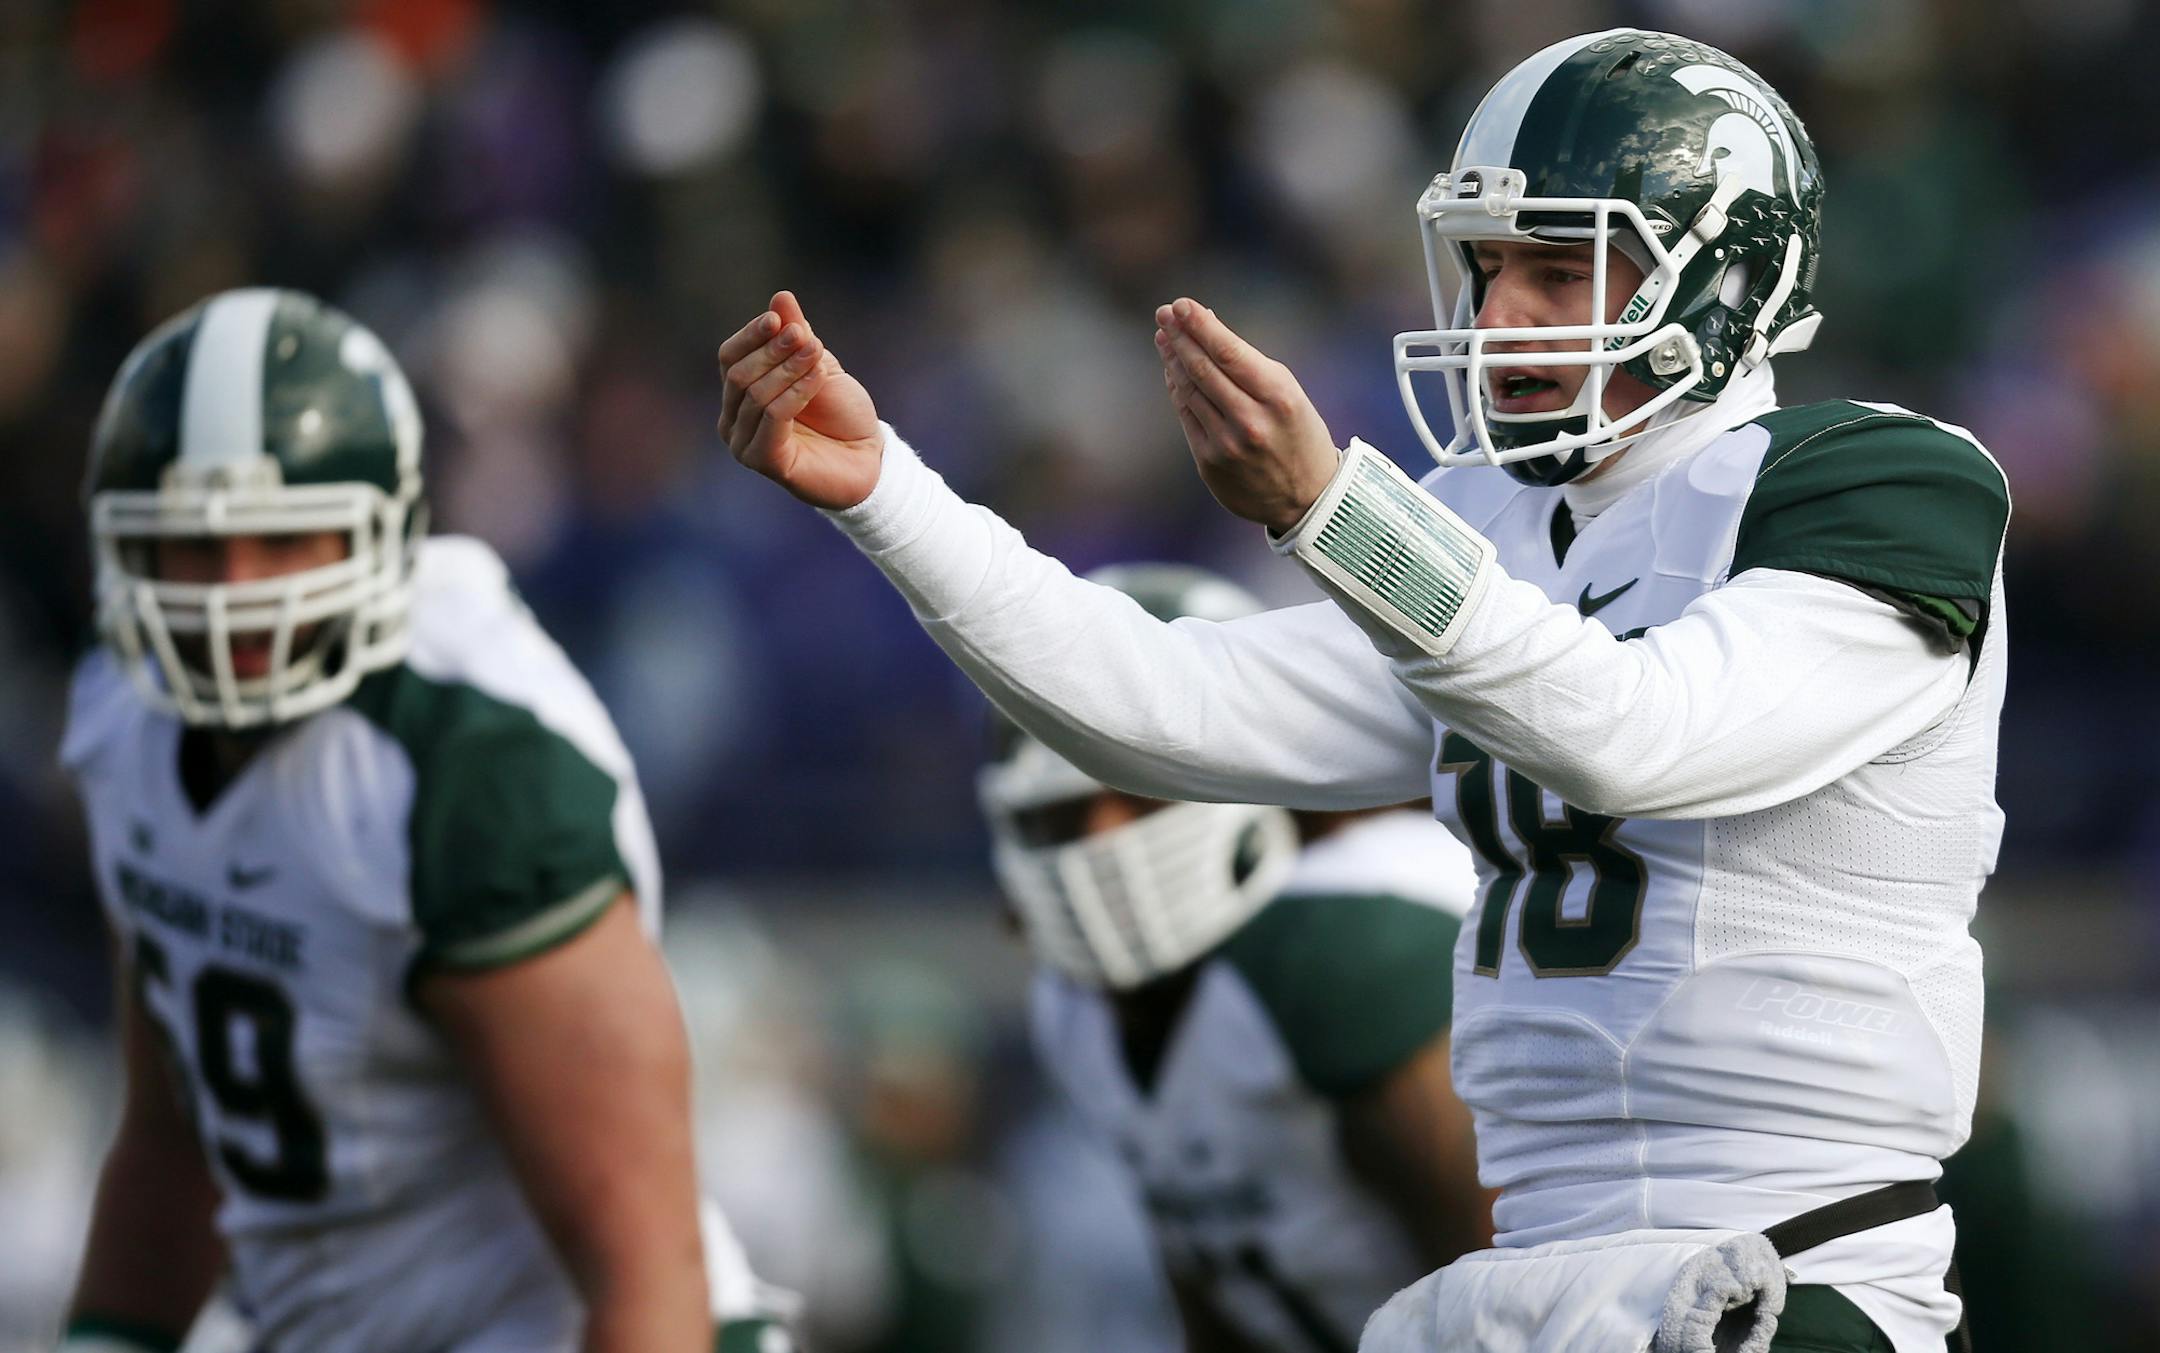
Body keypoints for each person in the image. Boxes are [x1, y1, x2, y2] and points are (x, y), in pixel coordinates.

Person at [719, 26, 2006, 1353]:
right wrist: (888, 493)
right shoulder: (1502, 524)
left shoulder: (1882, 483)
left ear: (1726, 278)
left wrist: (1332, 511)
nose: (1499, 317)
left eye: (1560, 270)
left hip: (1786, 1266)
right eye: (1489, 267)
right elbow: (1161, 702)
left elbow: (1638, 737)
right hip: (1533, 1272)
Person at [60, 288, 790, 1353]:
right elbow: (178, 1131)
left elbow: (644, 1265)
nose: (236, 594)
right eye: (195, 544)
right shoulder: (121, 713)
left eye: (284, 539)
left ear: (388, 531)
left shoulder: (471, 768)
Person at [982, 562, 1491, 1353]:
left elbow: (1502, 1285)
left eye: (1140, 790)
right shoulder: (1075, 1010)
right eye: (1067, 812)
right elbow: (1218, 1284)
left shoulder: (1342, 947)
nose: (1106, 841)